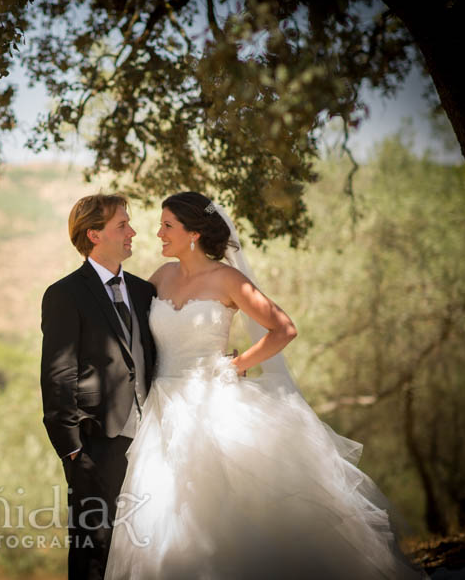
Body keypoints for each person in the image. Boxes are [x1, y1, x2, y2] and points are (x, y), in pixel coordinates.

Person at [104, 191, 424, 580]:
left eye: (167, 225)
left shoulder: (228, 279)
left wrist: (237, 364)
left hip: (212, 402)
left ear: (194, 233)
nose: (158, 233)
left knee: (226, 512)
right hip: (161, 408)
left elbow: (283, 329)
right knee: (164, 511)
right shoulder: (160, 277)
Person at [40, 194, 158, 580]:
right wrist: (73, 450)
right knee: (95, 552)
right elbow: (58, 376)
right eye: (122, 225)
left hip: (154, 442)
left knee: (148, 546)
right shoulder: (64, 294)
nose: (133, 232)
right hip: (96, 443)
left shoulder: (145, 292)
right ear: (94, 234)